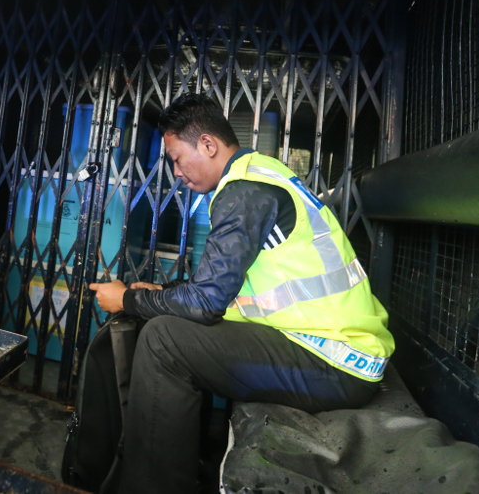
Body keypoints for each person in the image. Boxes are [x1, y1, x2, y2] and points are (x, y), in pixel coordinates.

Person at [89, 93, 394, 494]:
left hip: (336, 361)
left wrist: (127, 299)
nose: (177, 172)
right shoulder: (257, 176)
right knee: (170, 327)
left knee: (164, 340)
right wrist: (160, 291)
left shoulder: (244, 191)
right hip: (328, 349)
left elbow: (206, 303)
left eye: (178, 158)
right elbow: (226, 288)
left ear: (208, 145)